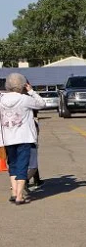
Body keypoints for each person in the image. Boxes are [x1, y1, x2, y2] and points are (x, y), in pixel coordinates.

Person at [1, 73, 46, 204]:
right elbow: (41, 104)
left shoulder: (1, 99)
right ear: (23, 85)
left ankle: (14, 192)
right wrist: (31, 91)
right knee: (22, 166)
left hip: (8, 138)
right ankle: (20, 196)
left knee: (13, 165)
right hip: (24, 137)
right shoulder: (24, 99)